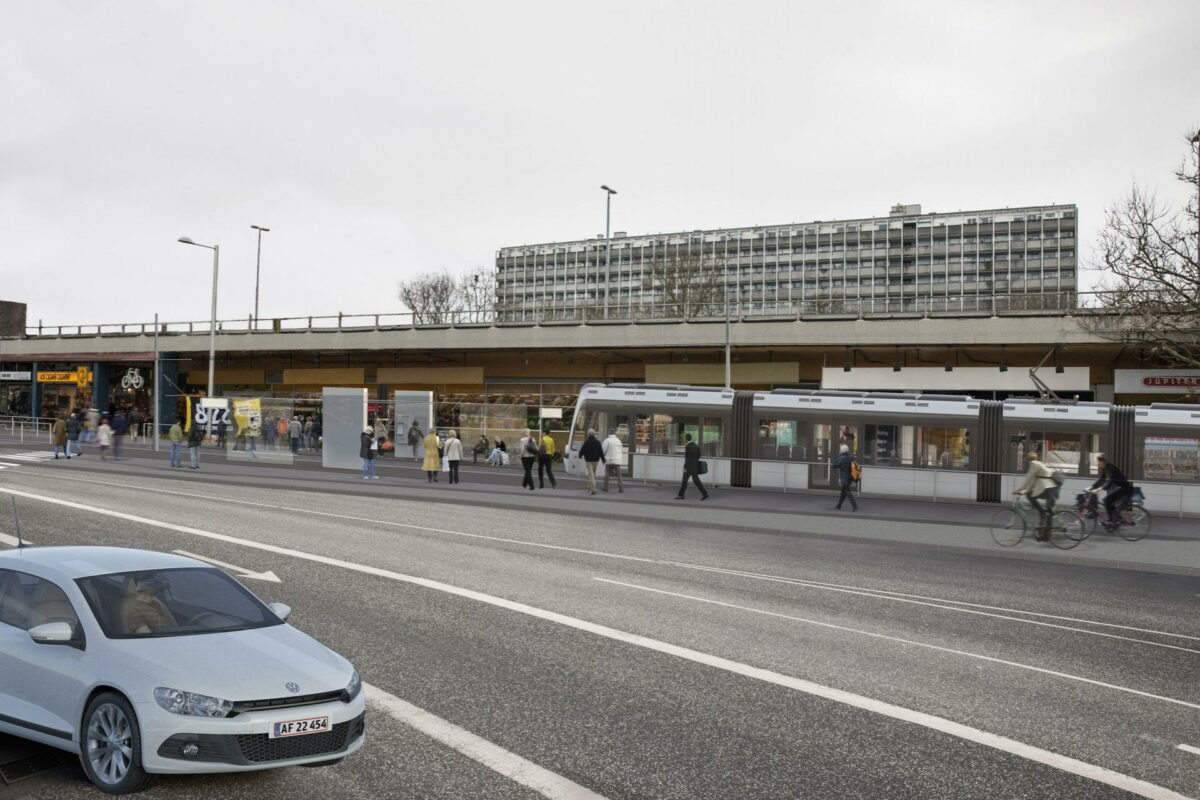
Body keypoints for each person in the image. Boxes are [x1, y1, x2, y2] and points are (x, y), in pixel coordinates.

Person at [1014, 451, 1058, 541]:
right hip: (1051, 488)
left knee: (1045, 511)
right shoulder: (1038, 464)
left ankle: (1046, 534)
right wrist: (1024, 491)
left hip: (1048, 489)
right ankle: (1045, 533)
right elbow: (1033, 482)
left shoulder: (1034, 464)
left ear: (1028, 459)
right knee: (1046, 512)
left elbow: (1028, 479)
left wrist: (1019, 490)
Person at [1089, 453, 1133, 524]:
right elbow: (1101, 479)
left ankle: (1113, 519)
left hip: (1125, 488)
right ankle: (1116, 517)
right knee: (1106, 501)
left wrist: (1099, 489)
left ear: (1101, 461)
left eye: (1096, 461)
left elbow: (1110, 481)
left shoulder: (1110, 468)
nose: (1096, 463)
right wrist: (1091, 487)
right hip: (1120, 488)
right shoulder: (1105, 468)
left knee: (1107, 500)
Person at [676, 432, 709, 501]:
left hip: (688, 468)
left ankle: (681, 495)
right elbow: (699, 454)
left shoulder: (688, 446)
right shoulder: (695, 445)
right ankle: (705, 494)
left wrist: (685, 467)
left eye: (684, 438)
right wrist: (695, 462)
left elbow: (687, 458)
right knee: (696, 481)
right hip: (695, 467)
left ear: (686, 439)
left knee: (684, 481)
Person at [832, 444, 858, 511]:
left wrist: (839, 464)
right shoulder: (850, 457)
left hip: (844, 477)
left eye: (840, 450)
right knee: (843, 492)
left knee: (847, 491)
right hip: (850, 477)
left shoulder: (841, 458)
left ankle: (854, 505)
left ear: (842, 450)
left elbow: (834, 465)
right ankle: (839, 505)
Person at [579, 429, 605, 495]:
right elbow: (601, 451)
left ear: (588, 435)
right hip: (596, 460)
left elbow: (582, 450)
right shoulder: (598, 442)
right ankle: (589, 486)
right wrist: (603, 459)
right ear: (594, 435)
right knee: (593, 474)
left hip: (589, 461)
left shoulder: (587, 442)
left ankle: (593, 488)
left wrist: (580, 455)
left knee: (591, 474)